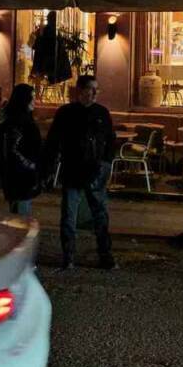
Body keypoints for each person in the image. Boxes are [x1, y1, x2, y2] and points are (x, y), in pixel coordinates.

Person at [43, 74, 117, 271]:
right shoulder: (66, 113)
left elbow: (110, 141)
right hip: (73, 170)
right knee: (69, 215)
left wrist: (105, 164)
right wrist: (49, 168)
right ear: (81, 91)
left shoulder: (102, 113)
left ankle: (105, 254)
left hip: (95, 171)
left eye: (96, 89)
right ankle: (68, 255)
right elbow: (53, 142)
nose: (95, 93)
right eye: (91, 89)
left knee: (100, 215)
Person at [0, 84, 43, 216]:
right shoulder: (18, 122)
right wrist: (31, 165)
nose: (34, 101)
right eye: (31, 97)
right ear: (23, 99)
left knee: (19, 210)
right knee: (21, 215)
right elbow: (13, 150)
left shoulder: (15, 119)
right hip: (20, 176)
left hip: (18, 175)